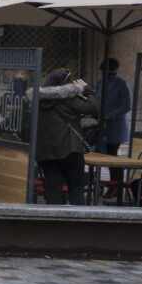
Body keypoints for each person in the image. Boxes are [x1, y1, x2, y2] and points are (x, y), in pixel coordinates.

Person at [34, 69, 98, 205]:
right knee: (76, 188)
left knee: (52, 189)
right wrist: (88, 90)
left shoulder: (36, 100)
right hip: (70, 149)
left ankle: (54, 222)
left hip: (46, 152)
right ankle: (77, 222)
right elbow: (93, 108)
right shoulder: (67, 98)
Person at [96, 58, 132, 199]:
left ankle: (115, 187)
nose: (107, 76)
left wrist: (110, 115)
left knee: (112, 157)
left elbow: (126, 105)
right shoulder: (99, 83)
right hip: (100, 126)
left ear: (114, 72)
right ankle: (97, 185)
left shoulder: (121, 84)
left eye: (110, 73)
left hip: (114, 126)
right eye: (105, 73)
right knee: (98, 156)